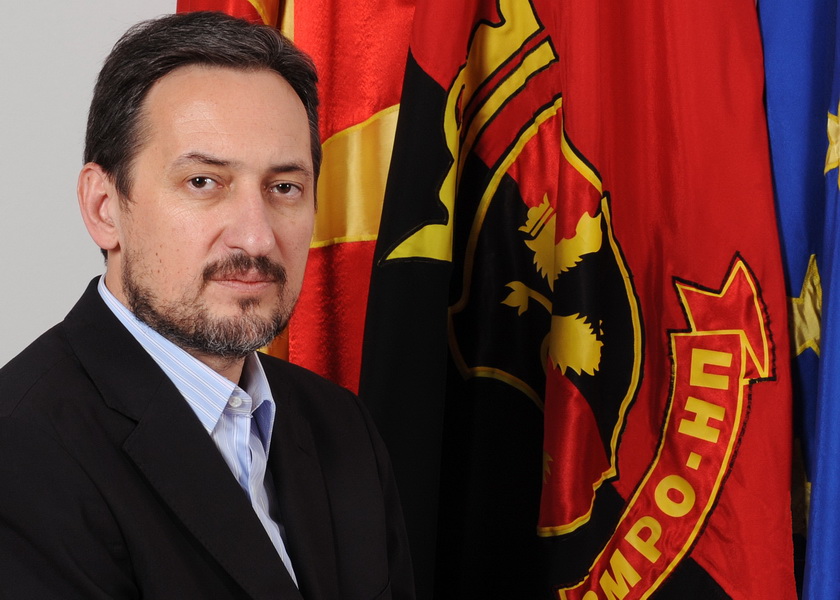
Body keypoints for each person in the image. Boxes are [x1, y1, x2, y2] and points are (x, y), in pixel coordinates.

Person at [0, 11, 414, 600]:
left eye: (285, 188)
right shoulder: (20, 455)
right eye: (203, 182)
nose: (256, 237)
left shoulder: (342, 429)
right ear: (104, 208)